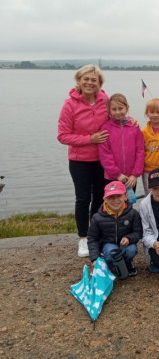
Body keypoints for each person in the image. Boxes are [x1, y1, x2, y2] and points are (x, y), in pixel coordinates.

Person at [57, 65, 109, 258]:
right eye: (85, 79)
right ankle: (83, 237)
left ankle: (95, 233)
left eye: (93, 80)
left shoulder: (105, 100)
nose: (89, 83)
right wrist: (90, 139)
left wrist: (130, 122)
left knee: (100, 197)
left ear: (99, 83)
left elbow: (116, 118)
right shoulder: (69, 105)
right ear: (78, 81)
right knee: (83, 199)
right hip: (79, 160)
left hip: (102, 158)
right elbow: (62, 136)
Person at [87, 181, 142, 277]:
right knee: (110, 251)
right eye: (111, 197)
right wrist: (95, 258)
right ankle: (111, 265)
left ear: (126, 196)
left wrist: (129, 238)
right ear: (105, 199)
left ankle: (127, 264)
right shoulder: (97, 217)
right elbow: (92, 239)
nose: (115, 200)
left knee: (131, 249)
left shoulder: (133, 214)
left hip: (126, 244)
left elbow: (138, 233)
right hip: (108, 245)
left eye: (119, 196)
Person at [98, 94, 145, 192]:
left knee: (129, 200)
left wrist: (135, 174)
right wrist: (117, 174)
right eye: (114, 109)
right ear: (109, 110)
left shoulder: (134, 127)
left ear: (127, 108)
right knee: (113, 201)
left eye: (120, 108)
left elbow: (140, 151)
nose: (117, 112)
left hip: (130, 178)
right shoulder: (105, 129)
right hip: (112, 177)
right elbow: (104, 154)